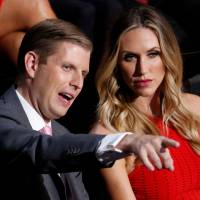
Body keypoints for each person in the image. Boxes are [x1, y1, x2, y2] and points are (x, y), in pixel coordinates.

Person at [0, 18, 179, 200]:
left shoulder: (62, 134)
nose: (78, 83)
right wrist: (122, 141)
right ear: (32, 64)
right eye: (67, 67)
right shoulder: (4, 120)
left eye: (83, 74)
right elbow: (40, 149)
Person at [90, 5, 200, 200]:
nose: (142, 69)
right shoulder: (109, 134)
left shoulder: (195, 107)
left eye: (153, 54)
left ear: (168, 56)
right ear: (116, 64)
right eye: (130, 57)